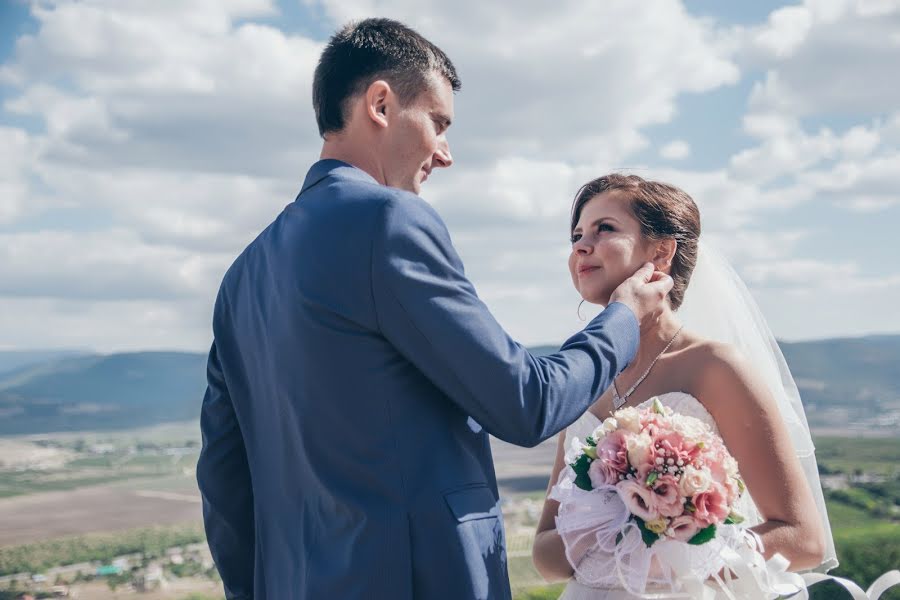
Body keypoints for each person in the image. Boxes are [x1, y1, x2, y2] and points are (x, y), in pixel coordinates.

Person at [196, 20, 672, 600]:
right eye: (438, 123)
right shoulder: (388, 220)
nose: (445, 154)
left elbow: (224, 479)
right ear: (380, 103)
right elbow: (526, 402)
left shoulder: (242, 276)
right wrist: (621, 317)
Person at [532, 174, 835, 599]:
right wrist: (609, 524)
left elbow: (803, 539)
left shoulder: (715, 367)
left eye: (605, 229)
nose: (581, 245)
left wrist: (679, 545)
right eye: (577, 234)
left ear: (661, 251)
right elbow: (545, 555)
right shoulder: (586, 372)